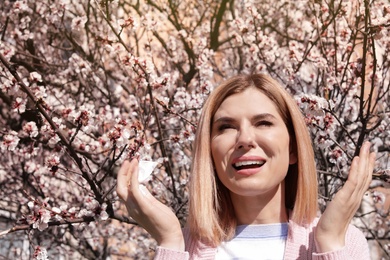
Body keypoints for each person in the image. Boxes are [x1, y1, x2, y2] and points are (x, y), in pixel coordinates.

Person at [117, 74, 376, 259]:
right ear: (209, 150)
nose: (244, 139)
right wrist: (171, 243)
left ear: (293, 148)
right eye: (226, 127)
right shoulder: (182, 249)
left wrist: (330, 244)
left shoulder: (341, 242)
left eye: (263, 123)